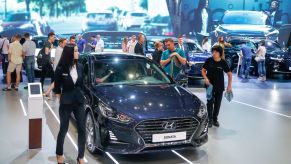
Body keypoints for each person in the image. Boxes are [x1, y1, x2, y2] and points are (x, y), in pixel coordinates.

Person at [54, 44, 85, 164]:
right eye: (76, 51)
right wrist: (61, 99)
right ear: (70, 53)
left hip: (79, 101)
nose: (78, 53)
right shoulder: (61, 68)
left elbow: (81, 85)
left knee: (82, 129)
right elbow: (57, 88)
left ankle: (80, 157)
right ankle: (59, 153)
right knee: (63, 129)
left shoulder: (80, 66)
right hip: (66, 102)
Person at [201, 45, 232, 128]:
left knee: (218, 103)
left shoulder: (223, 62)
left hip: (219, 86)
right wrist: (206, 78)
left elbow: (229, 74)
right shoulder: (209, 60)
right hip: (209, 86)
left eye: (216, 52)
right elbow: (203, 71)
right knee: (210, 102)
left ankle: (215, 119)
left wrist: (229, 86)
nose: (214, 53)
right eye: (213, 51)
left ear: (220, 53)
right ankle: (210, 119)